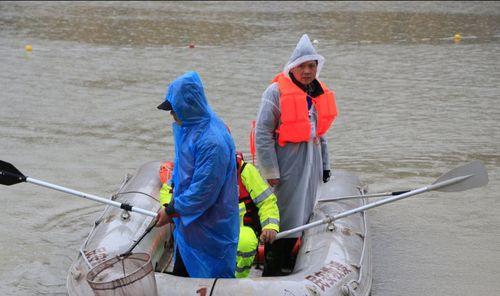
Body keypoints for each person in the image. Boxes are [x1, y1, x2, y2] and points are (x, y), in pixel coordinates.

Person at [254, 34, 338, 276]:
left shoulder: (315, 93)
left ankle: (288, 263)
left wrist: (325, 164)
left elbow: (319, 133)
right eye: (303, 66)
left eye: (312, 66)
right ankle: (271, 269)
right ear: (293, 67)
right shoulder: (275, 92)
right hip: (287, 164)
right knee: (284, 217)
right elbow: (263, 133)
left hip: (310, 163)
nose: (307, 71)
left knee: (304, 213)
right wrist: (270, 171)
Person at [155, 71, 239, 278]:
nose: (171, 114)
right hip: (189, 225)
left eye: (173, 109)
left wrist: (173, 209)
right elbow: (182, 170)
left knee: (209, 279)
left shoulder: (212, 141)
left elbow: (203, 191)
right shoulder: (189, 129)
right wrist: (173, 204)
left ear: (187, 106)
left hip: (210, 229)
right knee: (183, 275)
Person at [234, 151, 279, 278]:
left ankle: (238, 279)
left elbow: (267, 202)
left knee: (245, 242)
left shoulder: (246, 171)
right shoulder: (200, 170)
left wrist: (270, 226)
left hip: (242, 229)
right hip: (211, 229)